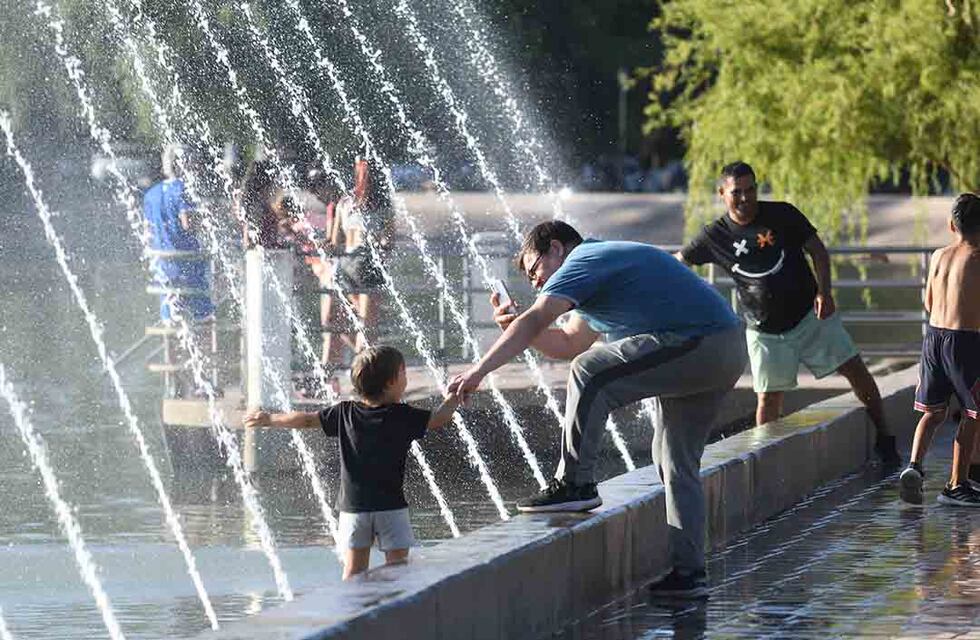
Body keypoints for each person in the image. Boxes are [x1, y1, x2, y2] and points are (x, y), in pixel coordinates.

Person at [447, 220, 747, 598]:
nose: (536, 283)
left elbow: (540, 321)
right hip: (722, 348)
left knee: (589, 371)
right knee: (674, 461)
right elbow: (569, 341)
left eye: (535, 269)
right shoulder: (597, 275)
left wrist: (478, 371)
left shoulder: (585, 257)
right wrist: (519, 325)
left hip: (701, 341)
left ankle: (575, 482)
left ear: (556, 248)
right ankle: (689, 574)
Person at [677, 161, 900, 466]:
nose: (744, 198)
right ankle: (763, 461)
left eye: (750, 190)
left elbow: (818, 251)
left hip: (811, 316)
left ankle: (885, 437)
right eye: (736, 192)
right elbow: (679, 263)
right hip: (764, 331)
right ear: (722, 193)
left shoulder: (782, 214)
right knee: (768, 397)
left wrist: (824, 291)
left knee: (855, 370)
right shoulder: (714, 235)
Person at [244, 346, 461, 579]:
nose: (406, 379)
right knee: (398, 569)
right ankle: (393, 611)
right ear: (390, 382)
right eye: (403, 373)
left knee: (353, 571)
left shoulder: (345, 413)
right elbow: (439, 419)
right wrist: (454, 398)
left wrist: (270, 419)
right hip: (391, 506)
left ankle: (351, 610)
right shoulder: (402, 415)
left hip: (353, 508)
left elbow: (306, 421)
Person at [899, 193, 980, 507]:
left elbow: (929, 302)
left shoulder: (938, 255)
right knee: (973, 414)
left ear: (951, 225)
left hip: (934, 338)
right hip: (966, 342)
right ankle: (956, 484)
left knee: (933, 412)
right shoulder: (977, 257)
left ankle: (914, 466)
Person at [323, 156, 395, 360]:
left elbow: (335, 242)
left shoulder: (344, 203)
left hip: (345, 266)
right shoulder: (382, 206)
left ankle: (360, 364)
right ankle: (365, 371)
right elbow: (389, 242)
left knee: (342, 323)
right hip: (368, 264)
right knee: (367, 326)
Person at [143, 145, 214, 324]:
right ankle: (202, 315)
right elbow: (187, 224)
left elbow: (148, 232)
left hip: (164, 262)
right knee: (201, 288)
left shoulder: (150, 194)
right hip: (186, 260)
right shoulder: (183, 189)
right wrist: (207, 221)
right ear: (183, 163)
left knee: (170, 301)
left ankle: (170, 315)